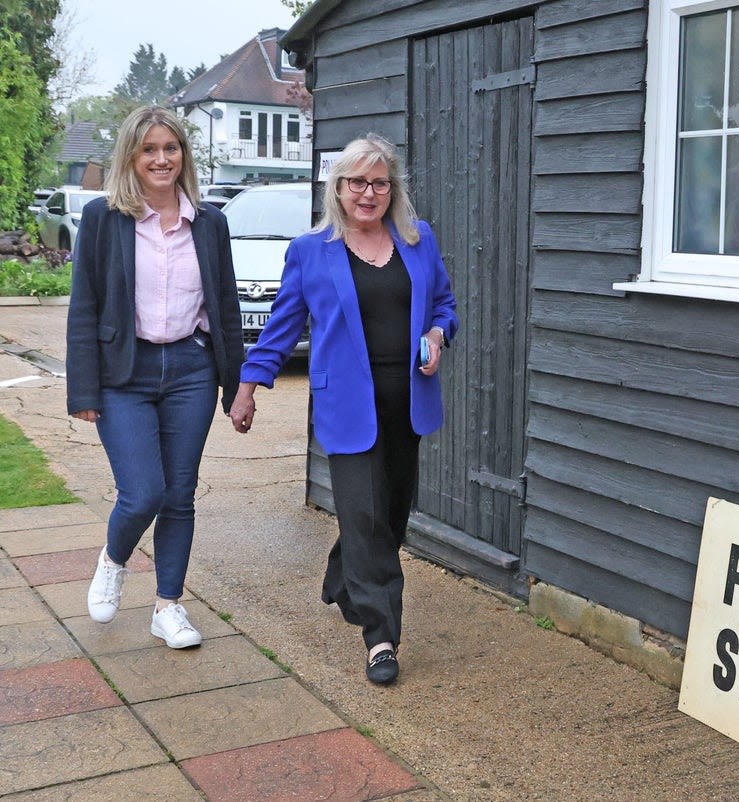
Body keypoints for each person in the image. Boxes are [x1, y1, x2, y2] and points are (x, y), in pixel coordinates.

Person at [229, 134, 458, 686]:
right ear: (339, 188)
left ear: (392, 188)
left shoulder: (417, 239)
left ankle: (342, 573)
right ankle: (380, 636)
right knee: (364, 512)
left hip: (407, 402)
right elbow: (283, 324)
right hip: (346, 404)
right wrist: (249, 383)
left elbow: (445, 304)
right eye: (358, 182)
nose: (369, 193)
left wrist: (437, 332)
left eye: (380, 182)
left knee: (389, 515)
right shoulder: (311, 250)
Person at [66, 105, 243, 648]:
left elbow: (226, 309)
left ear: (182, 155)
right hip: (125, 372)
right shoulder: (103, 218)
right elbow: (85, 307)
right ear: (132, 157)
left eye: (171, 148)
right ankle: (114, 558)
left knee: (181, 494)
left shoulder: (210, 223)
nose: (162, 159)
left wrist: (237, 389)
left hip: (190, 369)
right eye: (149, 150)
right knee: (143, 492)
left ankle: (169, 607)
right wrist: (84, 389)